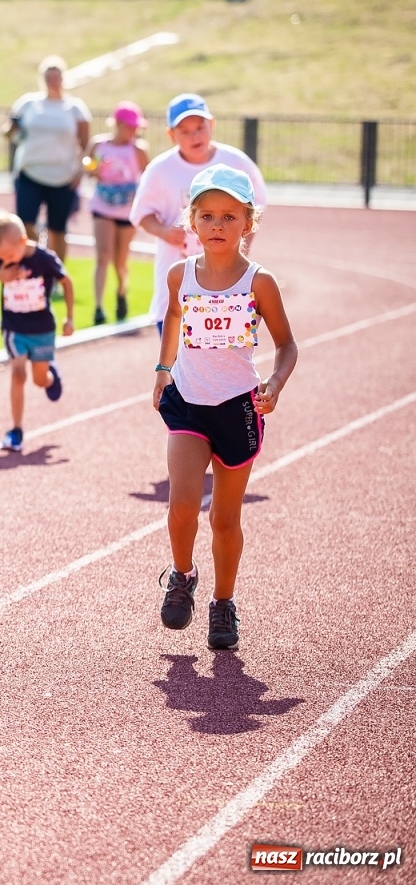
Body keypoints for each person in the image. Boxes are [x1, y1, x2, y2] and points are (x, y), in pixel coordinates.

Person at [152, 166, 295, 651]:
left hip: (237, 408)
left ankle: (223, 603)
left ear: (247, 223)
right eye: (208, 215)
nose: (217, 225)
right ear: (192, 221)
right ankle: (182, 574)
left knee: (226, 520)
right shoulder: (180, 276)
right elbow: (173, 315)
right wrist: (162, 367)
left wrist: (274, 383)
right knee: (182, 506)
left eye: (229, 216)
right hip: (188, 403)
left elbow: (288, 345)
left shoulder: (260, 282)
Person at [130, 94, 268, 332]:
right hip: (177, 278)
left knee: (225, 359)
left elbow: (256, 208)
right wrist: (163, 231)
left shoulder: (236, 163)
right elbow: (141, 214)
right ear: (171, 135)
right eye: (184, 131)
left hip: (226, 278)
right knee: (173, 363)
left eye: (200, 127)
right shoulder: (160, 170)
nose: (195, 136)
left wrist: (243, 245)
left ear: (211, 125)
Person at [0, 210, 74, 454]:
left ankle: (51, 376)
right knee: (17, 373)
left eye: (9, 255)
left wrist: (70, 318)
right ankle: (16, 430)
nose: (6, 260)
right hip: (14, 327)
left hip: (42, 328)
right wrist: (0, 274)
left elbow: (66, 282)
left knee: (38, 379)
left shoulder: (44, 258)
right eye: (0, 257)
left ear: (23, 242)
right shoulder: (2, 257)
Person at [6, 56, 91, 263]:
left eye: (56, 76)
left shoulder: (75, 108)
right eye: (48, 76)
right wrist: (11, 129)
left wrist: (80, 172)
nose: (52, 81)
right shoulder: (27, 103)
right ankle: (38, 260)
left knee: (58, 230)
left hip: (62, 177)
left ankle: (56, 275)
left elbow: (86, 144)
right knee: (25, 224)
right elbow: (9, 133)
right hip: (30, 172)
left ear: (63, 78)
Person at [85, 102, 149, 325]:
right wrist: (93, 169)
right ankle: (99, 307)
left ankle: (122, 291)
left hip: (127, 209)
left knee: (120, 261)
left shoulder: (138, 150)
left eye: (135, 127)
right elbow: (89, 168)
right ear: (118, 124)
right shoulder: (99, 144)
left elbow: (148, 178)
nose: (133, 131)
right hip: (102, 205)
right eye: (130, 126)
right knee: (103, 255)